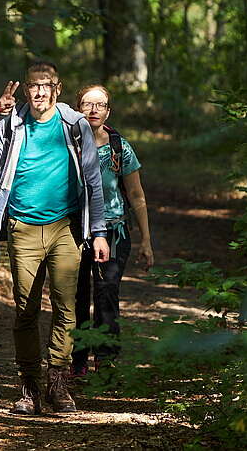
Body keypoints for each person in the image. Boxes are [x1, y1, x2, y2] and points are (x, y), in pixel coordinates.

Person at [0, 61, 110, 415]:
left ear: (57, 88)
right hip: (22, 228)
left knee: (66, 308)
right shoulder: (10, 126)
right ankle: (29, 387)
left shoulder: (75, 125)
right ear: (26, 89)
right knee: (25, 309)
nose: (40, 91)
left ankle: (58, 384)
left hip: (66, 228)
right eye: (34, 85)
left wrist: (101, 232)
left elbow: (92, 181)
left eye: (46, 85)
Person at [71, 84, 154, 376]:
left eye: (100, 104)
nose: (93, 109)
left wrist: (146, 240)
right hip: (74, 229)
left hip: (114, 230)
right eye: (87, 104)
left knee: (106, 293)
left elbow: (137, 195)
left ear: (108, 111)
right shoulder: (67, 143)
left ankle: (105, 359)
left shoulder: (120, 147)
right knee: (75, 295)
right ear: (76, 108)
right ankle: (77, 358)